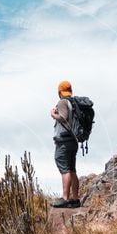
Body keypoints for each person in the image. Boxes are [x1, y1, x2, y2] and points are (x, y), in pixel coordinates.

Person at [50, 80, 80, 208]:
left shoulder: (62, 102)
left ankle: (65, 198)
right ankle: (75, 199)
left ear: (59, 92)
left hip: (64, 141)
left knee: (65, 169)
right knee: (72, 169)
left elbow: (63, 117)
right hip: (73, 140)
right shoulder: (73, 103)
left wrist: (53, 114)